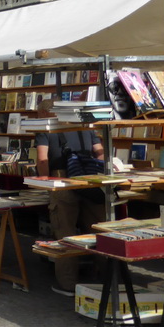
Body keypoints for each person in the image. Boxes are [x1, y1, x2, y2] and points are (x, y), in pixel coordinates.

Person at [34, 99, 106, 296]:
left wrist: (45, 182)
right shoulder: (85, 126)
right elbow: (100, 153)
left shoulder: (46, 130)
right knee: (98, 229)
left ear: (44, 113)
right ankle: (108, 275)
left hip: (62, 179)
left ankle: (68, 284)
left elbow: (42, 159)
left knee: (65, 234)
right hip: (89, 179)